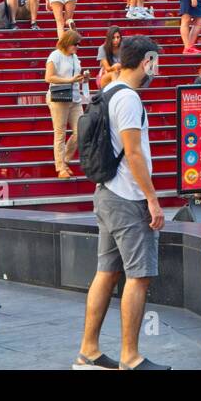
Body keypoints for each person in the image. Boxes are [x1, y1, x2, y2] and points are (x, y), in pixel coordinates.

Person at [76, 35, 168, 370]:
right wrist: (152, 200)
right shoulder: (128, 98)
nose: (157, 68)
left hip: (107, 192)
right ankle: (130, 356)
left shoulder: (109, 89)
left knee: (107, 272)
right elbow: (133, 152)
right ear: (147, 61)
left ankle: (89, 352)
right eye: (155, 61)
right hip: (127, 195)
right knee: (138, 277)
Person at [45, 29, 89, 179]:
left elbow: (74, 76)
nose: (78, 47)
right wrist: (69, 81)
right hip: (59, 98)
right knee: (60, 132)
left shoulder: (74, 57)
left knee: (81, 131)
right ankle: (60, 167)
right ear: (68, 43)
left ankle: (65, 160)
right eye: (76, 44)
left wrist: (82, 79)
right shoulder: (55, 56)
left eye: (78, 45)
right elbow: (48, 77)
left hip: (75, 98)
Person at [97, 26, 124, 91]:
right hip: (106, 76)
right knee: (114, 74)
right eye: (113, 38)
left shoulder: (124, 47)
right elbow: (108, 68)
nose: (116, 40)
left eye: (118, 37)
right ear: (109, 38)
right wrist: (115, 67)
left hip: (121, 75)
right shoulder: (103, 48)